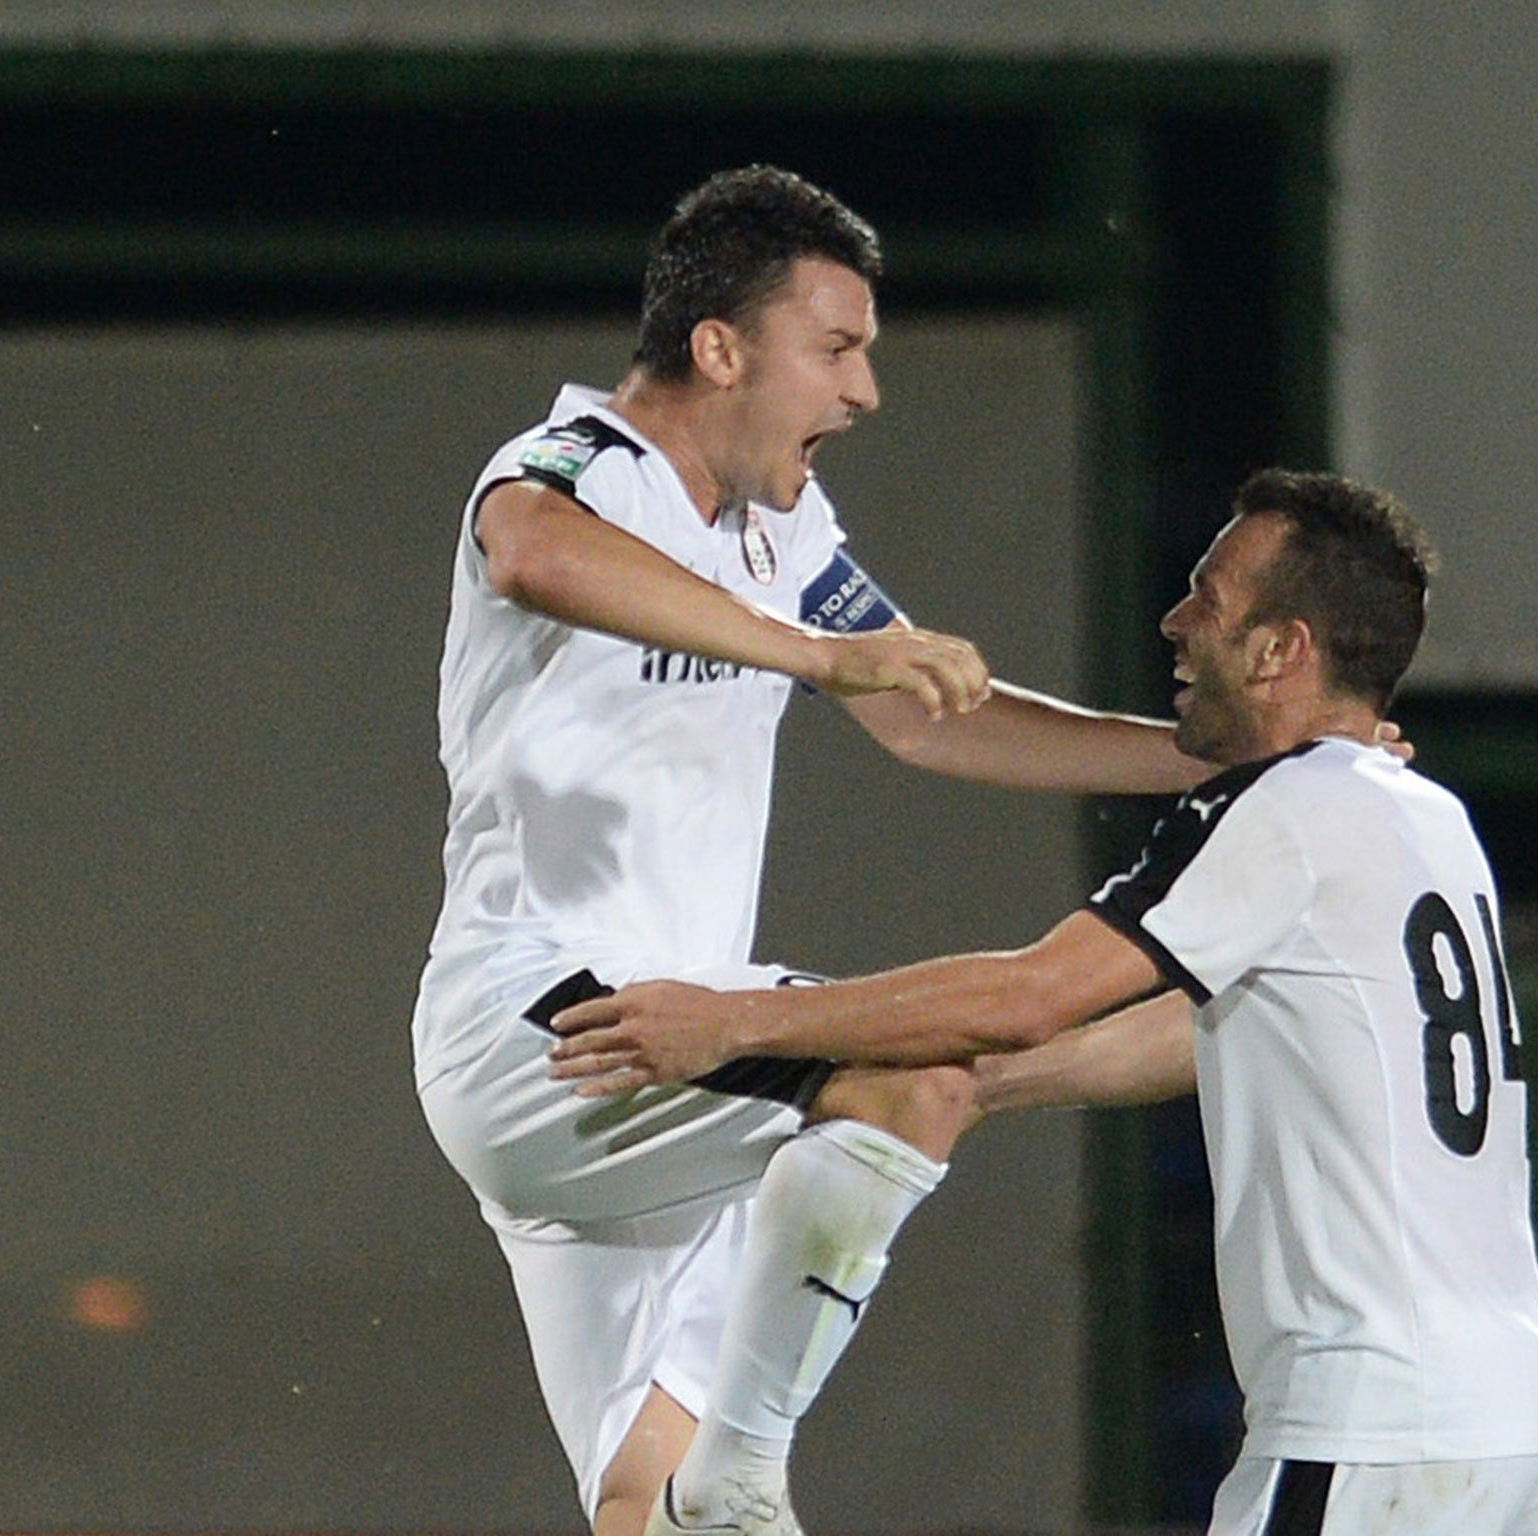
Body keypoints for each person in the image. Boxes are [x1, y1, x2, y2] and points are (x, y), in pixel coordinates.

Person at [410, 163, 1228, 1536]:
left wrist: (1210, 758)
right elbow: (531, 556)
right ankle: (744, 1463)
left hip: (673, 1067)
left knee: (638, 1506)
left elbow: (930, 722)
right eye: (836, 349)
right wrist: (816, 657)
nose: (864, 392)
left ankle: (707, 1487)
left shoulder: (783, 530)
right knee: (911, 1070)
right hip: (550, 1022)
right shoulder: (569, 465)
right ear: (720, 348)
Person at [547, 469, 1538, 1536]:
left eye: (1208, 598)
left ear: (1281, 651)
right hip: (1523, 1421)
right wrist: (977, 1086)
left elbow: (1028, 992)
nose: (1174, 623)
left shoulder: (1280, 809)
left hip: (1376, 1426)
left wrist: (734, 1023)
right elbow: (1217, 1035)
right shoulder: (1427, 818)